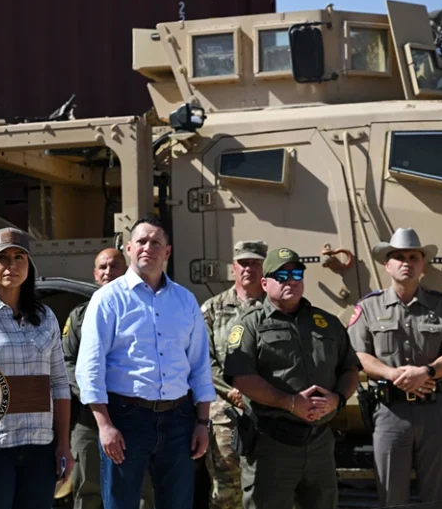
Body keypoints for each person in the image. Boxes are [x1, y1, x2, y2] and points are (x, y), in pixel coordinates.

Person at [75, 215, 217, 509]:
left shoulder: (185, 301)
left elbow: (200, 366)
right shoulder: (107, 300)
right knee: (121, 503)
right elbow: (90, 368)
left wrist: (202, 421)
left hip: (178, 420)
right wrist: (104, 425)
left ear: (167, 252)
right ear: (128, 248)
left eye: (156, 243)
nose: (147, 248)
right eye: (141, 241)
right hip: (126, 419)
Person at [224, 247, 361, 509]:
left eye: (296, 273)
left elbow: (350, 369)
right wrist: (290, 402)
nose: (291, 280)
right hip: (272, 443)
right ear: (264, 283)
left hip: (319, 442)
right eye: (281, 275)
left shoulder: (327, 323)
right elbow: (241, 377)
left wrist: (338, 399)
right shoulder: (248, 324)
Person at [0, 227, 74, 509]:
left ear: (29, 265)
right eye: (2, 257)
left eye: (19, 257)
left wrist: (63, 444)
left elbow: (58, 383)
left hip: (39, 446)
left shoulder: (45, 317)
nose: (11, 265)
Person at [347, 228, 442, 506]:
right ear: (387, 265)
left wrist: (427, 372)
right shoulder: (368, 307)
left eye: (414, 257)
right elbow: (358, 354)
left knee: (438, 496)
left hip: (433, 410)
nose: (407, 262)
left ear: (422, 265)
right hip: (390, 412)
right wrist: (392, 374)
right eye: (399, 257)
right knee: (391, 495)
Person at [62, 248, 154, 509]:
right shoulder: (79, 316)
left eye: (114, 266)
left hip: (138, 417)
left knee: (144, 490)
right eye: (102, 267)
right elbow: (67, 362)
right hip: (90, 420)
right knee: (87, 489)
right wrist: (93, 396)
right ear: (94, 274)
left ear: (125, 270)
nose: (108, 272)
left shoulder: (146, 309)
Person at [200, 240, 267, 509]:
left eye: (255, 262)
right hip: (225, 414)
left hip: (268, 411)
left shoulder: (276, 308)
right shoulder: (212, 309)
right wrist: (232, 391)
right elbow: (203, 360)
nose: (249, 268)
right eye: (244, 262)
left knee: (268, 486)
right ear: (233, 267)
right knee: (226, 490)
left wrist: (259, 393)